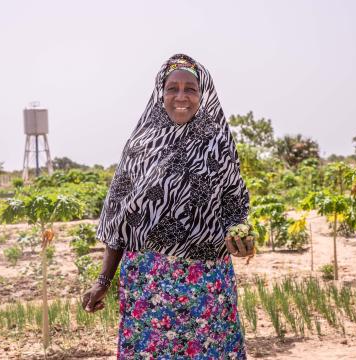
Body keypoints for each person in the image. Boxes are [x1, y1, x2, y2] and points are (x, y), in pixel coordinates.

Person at [82, 54, 252, 359]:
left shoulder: (219, 144)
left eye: (191, 89)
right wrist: (102, 282)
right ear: (161, 94)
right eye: (172, 88)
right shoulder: (140, 145)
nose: (181, 96)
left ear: (204, 94)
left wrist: (240, 237)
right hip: (148, 285)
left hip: (207, 282)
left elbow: (235, 207)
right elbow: (121, 221)